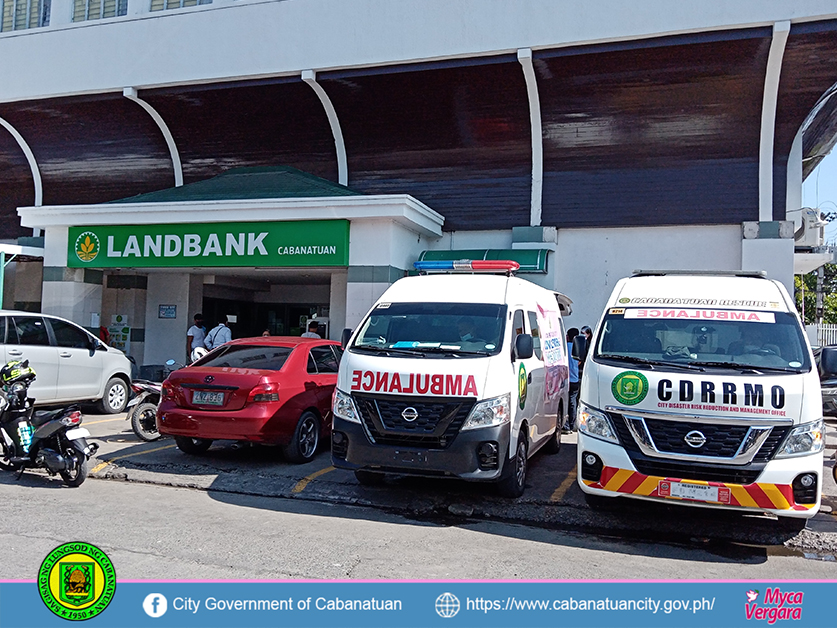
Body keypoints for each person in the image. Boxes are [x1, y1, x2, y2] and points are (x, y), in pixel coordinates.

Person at [565, 327, 580, 433]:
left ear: (568, 336)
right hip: (575, 379)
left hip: (566, 380)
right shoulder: (578, 348)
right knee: (573, 402)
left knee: (565, 401)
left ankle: (565, 424)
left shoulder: (565, 347)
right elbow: (580, 362)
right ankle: (572, 424)